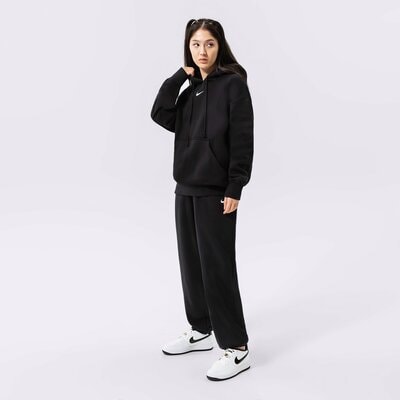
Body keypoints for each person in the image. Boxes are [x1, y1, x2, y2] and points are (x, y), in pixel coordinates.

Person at [150, 18, 254, 381]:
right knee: (191, 264)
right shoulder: (189, 91)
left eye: (209, 44)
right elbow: (159, 113)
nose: (203, 51)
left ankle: (237, 348)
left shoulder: (233, 85)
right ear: (188, 48)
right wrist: (180, 75)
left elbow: (242, 138)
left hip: (216, 191)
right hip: (185, 187)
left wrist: (235, 186)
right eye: (195, 44)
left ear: (219, 46)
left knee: (217, 267)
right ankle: (201, 329)